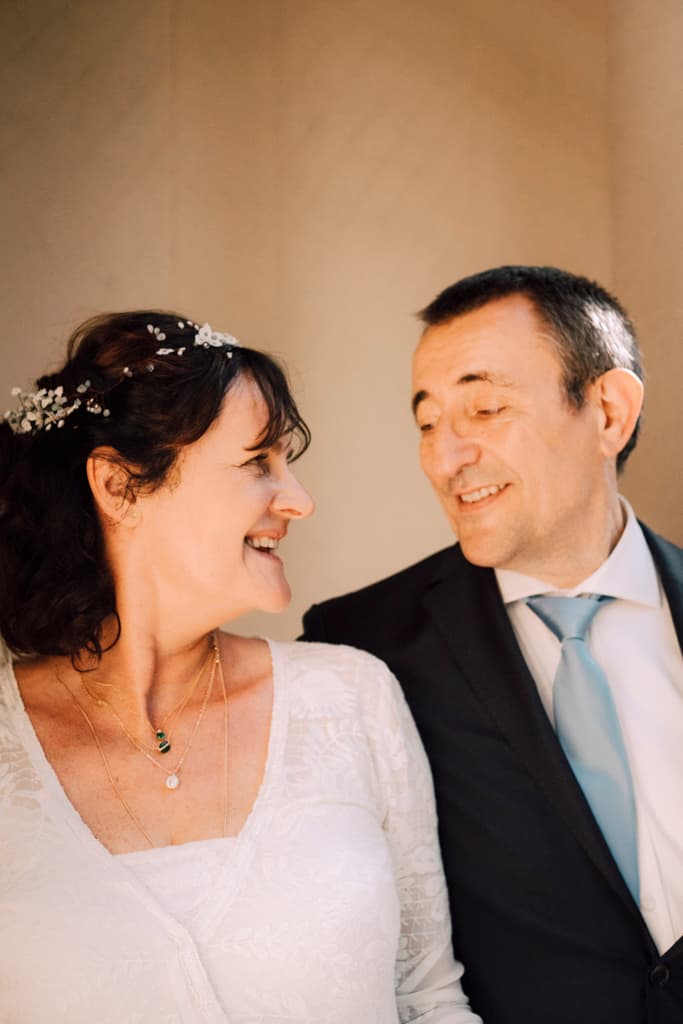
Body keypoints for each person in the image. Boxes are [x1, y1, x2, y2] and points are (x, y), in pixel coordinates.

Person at [0, 311, 481, 1023]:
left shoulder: (349, 698)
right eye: (257, 462)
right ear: (119, 486)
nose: (299, 501)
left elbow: (429, 1001)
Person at [301, 265, 683, 1024]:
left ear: (607, 411)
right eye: (427, 422)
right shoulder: (360, 651)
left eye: (483, 408)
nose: (445, 459)